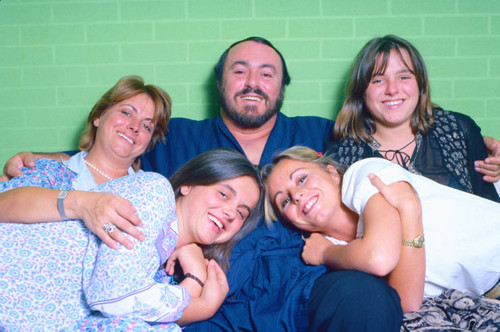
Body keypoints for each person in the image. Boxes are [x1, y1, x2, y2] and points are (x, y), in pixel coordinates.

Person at [0, 37, 405, 331]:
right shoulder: (176, 138)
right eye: (239, 70)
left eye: (267, 73)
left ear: (280, 87)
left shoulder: (319, 134)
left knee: (364, 298)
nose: (252, 81)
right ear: (221, 83)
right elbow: (113, 149)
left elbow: (381, 175)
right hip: (217, 295)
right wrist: (42, 160)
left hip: (302, 283)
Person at [0, 75, 264, 330]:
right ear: (98, 116)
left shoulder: (158, 226)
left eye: (147, 126)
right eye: (127, 112)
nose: (135, 126)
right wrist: (81, 202)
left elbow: (133, 311)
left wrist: (194, 275)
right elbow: (117, 294)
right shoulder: (52, 170)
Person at [262, 146, 500, 315]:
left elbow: (379, 258)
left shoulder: (365, 175)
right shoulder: (336, 250)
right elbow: (405, 302)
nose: (297, 195)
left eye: (302, 179)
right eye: (284, 201)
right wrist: (410, 213)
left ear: (332, 173)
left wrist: (325, 254)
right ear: (288, 221)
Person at [326, 34, 500, 202]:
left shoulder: (457, 129)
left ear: (420, 84)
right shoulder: (342, 153)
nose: (392, 89)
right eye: (378, 80)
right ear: (361, 91)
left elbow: (490, 207)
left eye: (403, 77)